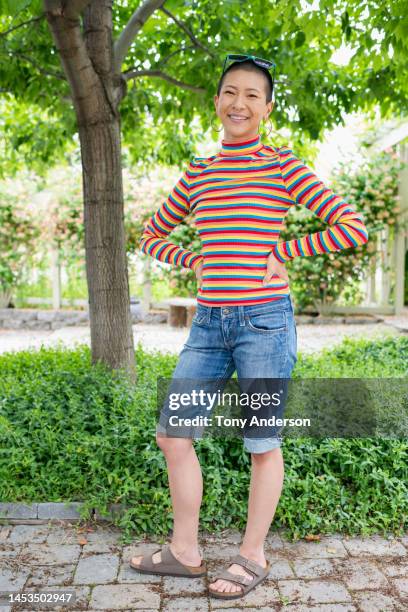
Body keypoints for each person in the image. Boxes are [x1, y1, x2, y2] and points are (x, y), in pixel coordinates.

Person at [129, 53, 369, 601]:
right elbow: (150, 235)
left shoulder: (283, 165)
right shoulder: (199, 172)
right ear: (217, 102)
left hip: (264, 324)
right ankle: (185, 552)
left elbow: (350, 224)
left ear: (267, 106)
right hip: (209, 325)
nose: (239, 103)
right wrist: (191, 260)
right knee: (173, 434)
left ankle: (252, 556)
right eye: (230, 92)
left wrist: (288, 249)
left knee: (261, 441)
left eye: (252, 95)